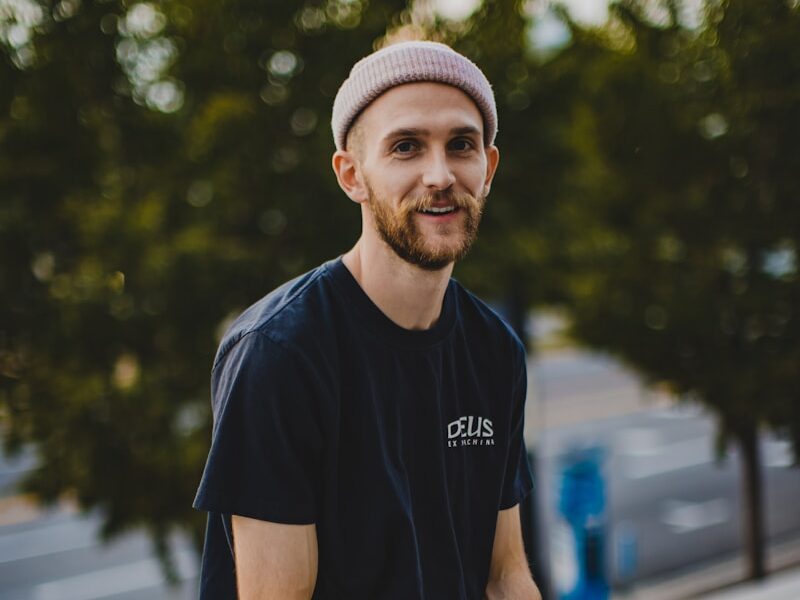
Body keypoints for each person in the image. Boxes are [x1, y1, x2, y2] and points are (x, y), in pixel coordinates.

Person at [193, 40, 540, 599]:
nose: (439, 175)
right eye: (406, 147)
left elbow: (504, 575)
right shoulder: (280, 353)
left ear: (488, 167)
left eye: (461, 145)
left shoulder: (495, 351)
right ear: (351, 175)